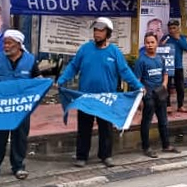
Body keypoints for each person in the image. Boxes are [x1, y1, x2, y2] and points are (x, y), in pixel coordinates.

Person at [57, 17, 144, 168]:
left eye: (100, 30)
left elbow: (125, 71)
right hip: (87, 98)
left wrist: (138, 86)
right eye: (95, 30)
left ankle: (106, 155)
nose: (97, 33)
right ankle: (81, 156)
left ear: (108, 33)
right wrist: (62, 79)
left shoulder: (114, 52)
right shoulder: (85, 49)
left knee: (106, 129)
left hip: (106, 99)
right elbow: (73, 66)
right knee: (84, 128)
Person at [0, 30, 38, 181]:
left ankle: (18, 167)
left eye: (9, 43)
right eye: (4, 43)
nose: (5, 46)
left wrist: (44, 85)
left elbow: (37, 79)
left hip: (21, 106)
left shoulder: (31, 60)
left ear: (18, 45)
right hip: (3, 105)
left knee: (20, 137)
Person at [135, 32, 178, 157]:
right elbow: (137, 81)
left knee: (163, 120)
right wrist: (140, 98)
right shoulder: (141, 61)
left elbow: (165, 73)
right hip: (148, 95)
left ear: (157, 44)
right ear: (144, 44)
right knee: (146, 122)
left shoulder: (160, 58)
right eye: (147, 42)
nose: (150, 45)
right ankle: (146, 147)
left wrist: (164, 85)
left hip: (161, 93)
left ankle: (166, 145)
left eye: (152, 42)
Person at [160, 19, 187, 114]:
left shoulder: (181, 38)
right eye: (170, 28)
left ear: (178, 28)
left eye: (174, 28)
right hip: (168, 67)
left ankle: (180, 105)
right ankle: (168, 105)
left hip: (178, 66)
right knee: (167, 87)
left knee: (180, 87)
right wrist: (161, 45)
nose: (172, 30)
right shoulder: (165, 37)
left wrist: (178, 39)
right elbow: (159, 50)